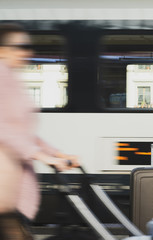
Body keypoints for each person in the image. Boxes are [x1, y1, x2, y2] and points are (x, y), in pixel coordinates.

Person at [0, 23, 80, 239]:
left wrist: (56, 154)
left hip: (11, 185)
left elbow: (23, 133)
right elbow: (4, 131)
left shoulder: (11, 79)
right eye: (21, 46)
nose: (28, 52)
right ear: (2, 49)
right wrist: (44, 157)